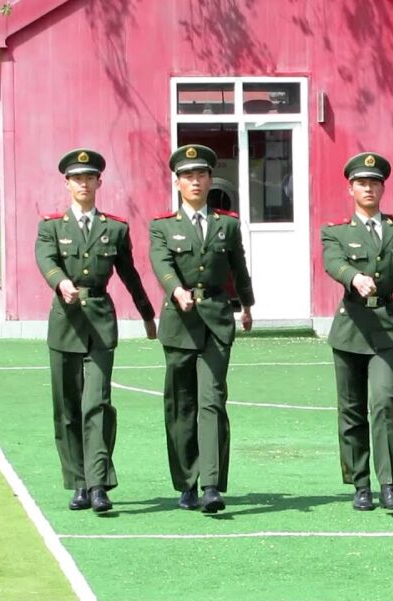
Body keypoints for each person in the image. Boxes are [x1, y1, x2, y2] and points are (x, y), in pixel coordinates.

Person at [34, 149, 157, 513]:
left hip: (101, 323)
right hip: (65, 322)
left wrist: (148, 314)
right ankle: (79, 483)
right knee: (68, 408)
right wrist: (60, 283)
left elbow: (129, 273)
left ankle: (100, 483)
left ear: (99, 183)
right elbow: (46, 259)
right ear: (67, 183)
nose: (84, 184)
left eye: (90, 178)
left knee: (97, 404)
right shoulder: (51, 226)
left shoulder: (115, 228)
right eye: (77, 178)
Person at [149, 144, 255, 514]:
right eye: (187, 176)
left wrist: (247, 304)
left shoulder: (227, 223)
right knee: (182, 406)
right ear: (177, 182)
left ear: (211, 179)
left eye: (201, 174)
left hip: (215, 318)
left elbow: (238, 267)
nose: (195, 181)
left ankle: (211, 484)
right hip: (179, 322)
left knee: (212, 401)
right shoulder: (163, 226)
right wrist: (175, 289)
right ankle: (186, 482)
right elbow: (160, 263)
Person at [321, 152, 393, 511]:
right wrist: (354, 277)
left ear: (382, 188)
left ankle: (388, 482)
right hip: (350, 328)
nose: (369, 188)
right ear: (351, 189)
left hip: (386, 329)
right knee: (351, 409)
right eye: (362, 183)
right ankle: (360, 483)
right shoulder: (335, 232)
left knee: (385, 402)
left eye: (374, 182)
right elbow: (333, 262)